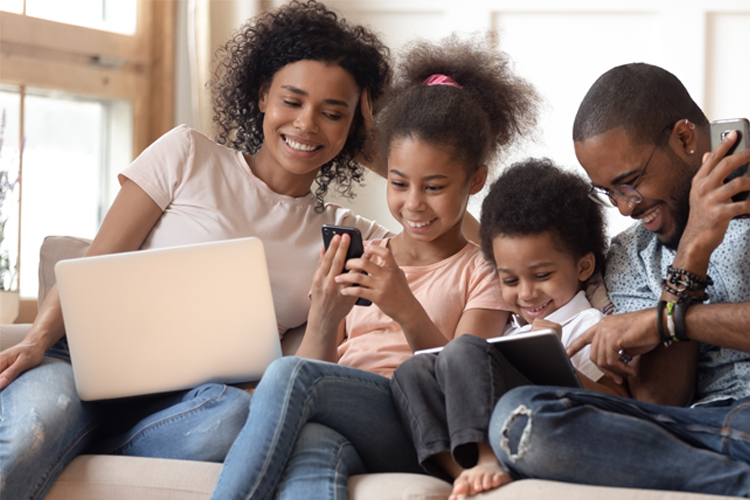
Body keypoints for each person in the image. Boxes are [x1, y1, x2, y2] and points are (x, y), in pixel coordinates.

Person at [0, 2, 393, 499]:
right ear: (262, 95)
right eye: (292, 101)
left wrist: (372, 144)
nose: (307, 124)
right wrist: (36, 341)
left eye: (332, 113)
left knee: (231, 419)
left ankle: (93, 441)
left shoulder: (344, 233)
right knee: (31, 430)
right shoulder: (187, 154)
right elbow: (93, 260)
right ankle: (72, 428)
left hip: (194, 406)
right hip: (81, 366)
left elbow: (459, 236)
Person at [208, 33, 540, 500]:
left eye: (435, 186)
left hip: (419, 423)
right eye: (400, 183)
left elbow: (467, 381)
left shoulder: (482, 270)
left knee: (284, 374)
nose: (413, 204)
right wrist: (325, 315)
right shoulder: (366, 251)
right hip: (350, 412)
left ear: (476, 180)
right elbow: (322, 365)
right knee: (314, 445)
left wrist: (406, 308)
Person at [489, 63, 750, 497]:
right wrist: (692, 250)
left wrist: (664, 321)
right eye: (608, 192)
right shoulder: (631, 252)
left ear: (684, 138)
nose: (625, 208)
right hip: (696, 429)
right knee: (520, 418)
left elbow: (661, 325)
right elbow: (659, 401)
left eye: (630, 183)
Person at [390, 158, 628, 500]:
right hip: (505, 421)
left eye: (542, 275)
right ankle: (465, 471)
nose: (527, 293)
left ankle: (485, 457)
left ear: (584, 266)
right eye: (510, 280)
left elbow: (622, 404)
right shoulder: (511, 330)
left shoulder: (591, 326)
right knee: (411, 370)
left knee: (466, 347)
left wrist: (558, 361)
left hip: (549, 427)